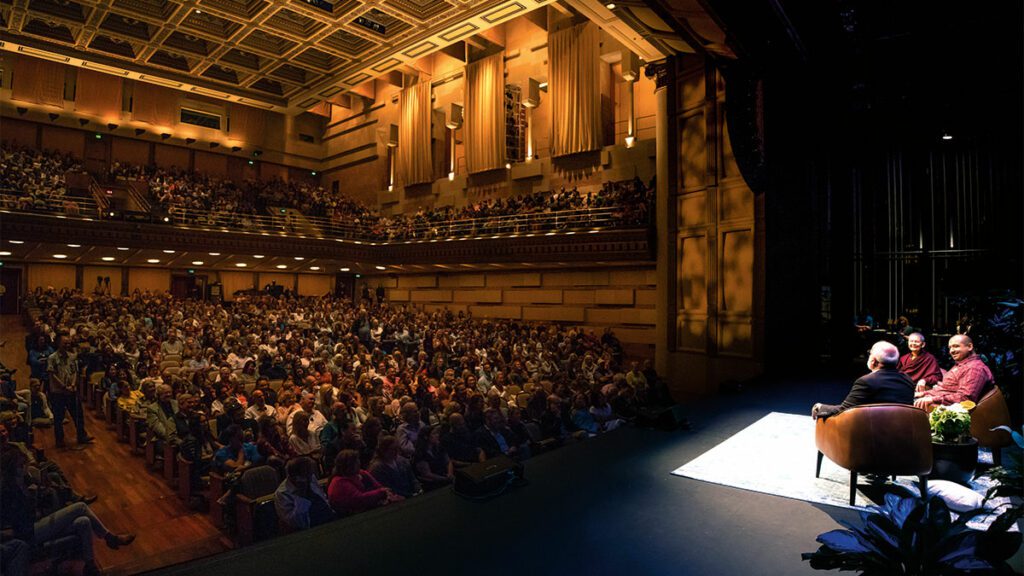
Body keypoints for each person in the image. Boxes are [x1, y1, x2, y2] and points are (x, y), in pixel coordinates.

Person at [2, 450, 134, 576]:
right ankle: (110, 538)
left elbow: (37, 506)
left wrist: (42, 491)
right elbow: (19, 518)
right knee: (81, 507)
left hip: (37, 521)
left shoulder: (25, 481)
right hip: (29, 532)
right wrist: (33, 501)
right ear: (13, 469)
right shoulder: (9, 490)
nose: (25, 467)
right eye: (21, 465)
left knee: (83, 521)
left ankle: (90, 565)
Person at [812, 341, 914, 419]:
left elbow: (844, 410)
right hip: (902, 432)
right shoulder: (908, 380)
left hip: (872, 435)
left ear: (873, 361)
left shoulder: (866, 381)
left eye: (870, 353)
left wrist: (821, 408)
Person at [914, 334, 994, 410]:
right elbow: (947, 388)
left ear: (970, 346)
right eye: (950, 347)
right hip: (929, 398)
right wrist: (923, 394)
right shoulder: (962, 363)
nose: (951, 351)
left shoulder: (974, 368)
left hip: (937, 407)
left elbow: (965, 398)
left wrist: (932, 399)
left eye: (956, 346)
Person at [46, 334, 93, 449]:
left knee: (78, 414)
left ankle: (81, 436)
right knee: (59, 417)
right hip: (58, 392)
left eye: (68, 343)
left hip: (71, 390)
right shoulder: (52, 358)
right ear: (58, 343)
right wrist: (63, 387)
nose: (67, 345)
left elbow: (75, 372)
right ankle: (60, 440)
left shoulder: (72, 356)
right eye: (65, 343)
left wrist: (72, 384)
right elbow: (52, 374)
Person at [327, 449, 400, 516]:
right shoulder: (339, 483)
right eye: (356, 462)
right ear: (349, 465)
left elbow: (378, 486)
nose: (359, 464)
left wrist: (385, 492)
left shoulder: (361, 474)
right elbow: (359, 499)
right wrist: (380, 492)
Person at [274, 457, 334, 531]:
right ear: (295, 477)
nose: (310, 477)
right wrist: (301, 495)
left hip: (328, 518)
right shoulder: (282, 494)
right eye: (307, 474)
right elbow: (294, 523)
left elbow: (322, 497)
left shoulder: (311, 478)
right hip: (308, 530)